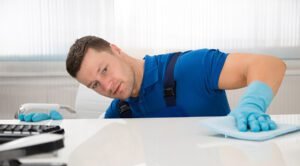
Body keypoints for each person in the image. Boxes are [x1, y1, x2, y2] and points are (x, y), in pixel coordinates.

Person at [66, 35, 286, 132]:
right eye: (95, 85)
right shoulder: (121, 110)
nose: (107, 85)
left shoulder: (190, 67)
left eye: (104, 70)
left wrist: (252, 104)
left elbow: (269, 65)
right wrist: (51, 129)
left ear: (116, 50)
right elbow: (92, 151)